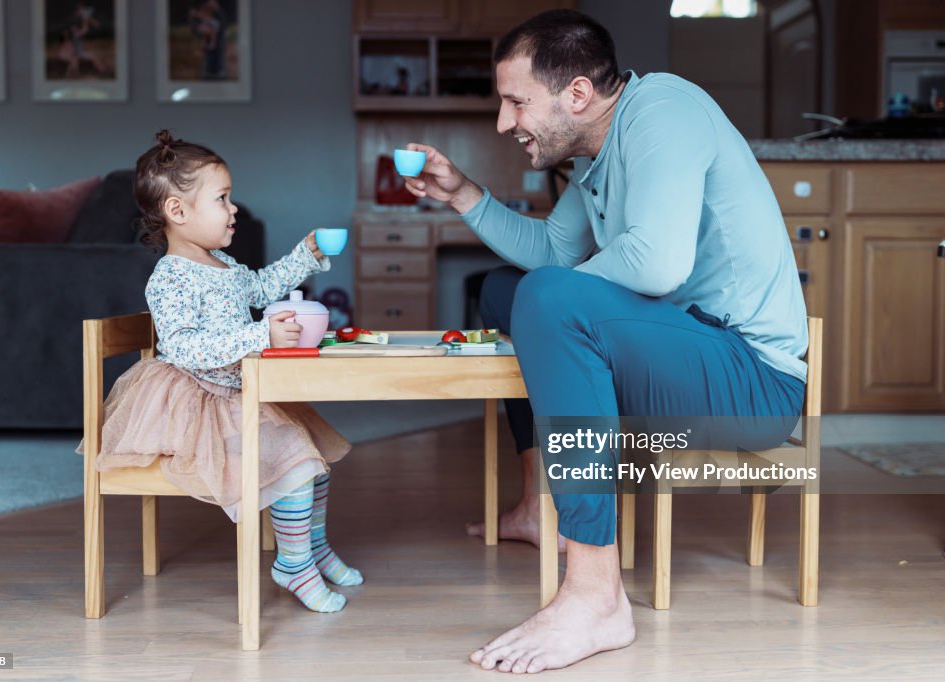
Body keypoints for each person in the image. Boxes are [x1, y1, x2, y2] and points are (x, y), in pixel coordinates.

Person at [404, 9, 807, 674]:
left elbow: (656, 265)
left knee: (548, 300)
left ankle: (595, 593)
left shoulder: (664, 109)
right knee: (514, 289)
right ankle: (540, 506)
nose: (505, 124)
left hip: (754, 381)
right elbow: (550, 251)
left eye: (515, 102)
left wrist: (554, 308)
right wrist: (463, 195)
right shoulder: (597, 155)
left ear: (579, 95)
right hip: (686, 354)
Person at [88, 130, 363, 613]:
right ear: (178, 212)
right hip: (198, 402)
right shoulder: (171, 276)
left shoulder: (223, 264)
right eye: (222, 199)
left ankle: (312, 549)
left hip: (239, 392)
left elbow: (260, 288)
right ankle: (292, 565)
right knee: (295, 462)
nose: (234, 208)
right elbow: (187, 347)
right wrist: (261, 337)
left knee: (315, 464)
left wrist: (307, 254)